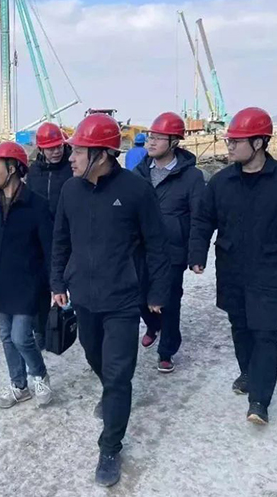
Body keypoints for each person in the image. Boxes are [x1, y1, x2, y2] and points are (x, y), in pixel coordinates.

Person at [51, 113, 170, 487]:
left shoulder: (136, 191)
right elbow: (60, 240)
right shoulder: (70, 191)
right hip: (84, 298)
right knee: (94, 356)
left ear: (101, 155)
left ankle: (110, 447)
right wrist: (57, 281)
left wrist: (157, 293)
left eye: (78, 152)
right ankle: (111, 392)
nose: (71, 158)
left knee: (119, 375)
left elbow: (157, 245)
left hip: (122, 301)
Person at [189, 107, 277, 425]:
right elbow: (203, 220)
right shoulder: (222, 181)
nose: (229, 146)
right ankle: (248, 372)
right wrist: (197, 255)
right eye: (229, 140)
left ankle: (259, 400)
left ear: (259, 142)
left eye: (236, 141)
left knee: (265, 332)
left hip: (273, 268)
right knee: (241, 325)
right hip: (233, 268)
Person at [0, 141, 54, 408]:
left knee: (20, 337)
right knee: (6, 337)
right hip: (0, 284)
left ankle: (39, 375)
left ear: (13, 168)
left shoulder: (37, 205)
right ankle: (19, 385)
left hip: (28, 285)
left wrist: (56, 284)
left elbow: (50, 249)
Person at [133, 112, 205, 373]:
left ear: (174, 141)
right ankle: (153, 326)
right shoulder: (139, 173)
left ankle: (167, 351)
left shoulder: (192, 177)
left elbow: (199, 217)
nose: (151, 142)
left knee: (170, 302)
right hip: (141, 250)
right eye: (150, 136)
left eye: (159, 138)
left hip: (173, 251)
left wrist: (196, 255)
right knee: (140, 296)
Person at [25, 122, 73, 350]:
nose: (56, 151)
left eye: (59, 146)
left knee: (73, 278)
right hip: (41, 237)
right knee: (41, 285)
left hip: (70, 235)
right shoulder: (34, 172)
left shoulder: (72, 168)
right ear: (41, 149)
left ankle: (79, 320)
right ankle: (42, 330)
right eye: (51, 148)